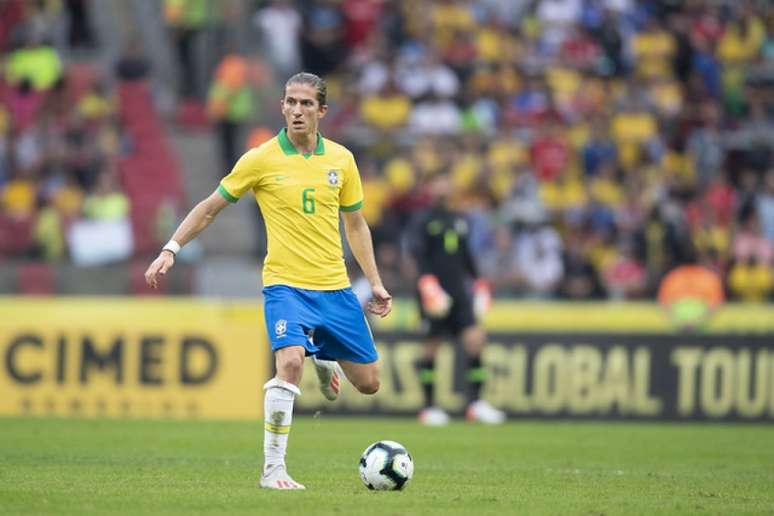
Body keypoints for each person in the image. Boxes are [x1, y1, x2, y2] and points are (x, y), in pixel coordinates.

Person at [144, 72, 392, 490]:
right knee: (289, 361)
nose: (297, 110)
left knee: (369, 384)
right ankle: (273, 468)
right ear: (281, 106)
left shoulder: (341, 160)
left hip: (334, 288)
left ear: (321, 111)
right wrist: (171, 248)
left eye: (306, 104)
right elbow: (209, 208)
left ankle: (323, 355)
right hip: (285, 286)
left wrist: (376, 282)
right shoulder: (260, 159)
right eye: (290, 102)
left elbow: (355, 225)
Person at [405, 173, 505, 426]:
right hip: (433, 291)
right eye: (438, 182)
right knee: (431, 346)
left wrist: (479, 281)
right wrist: (427, 284)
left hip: (459, 291)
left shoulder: (461, 219)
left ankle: (476, 403)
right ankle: (428, 407)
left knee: (475, 340)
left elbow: (466, 255)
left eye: (446, 182)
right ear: (430, 187)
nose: (443, 187)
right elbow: (418, 255)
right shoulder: (423, 220)